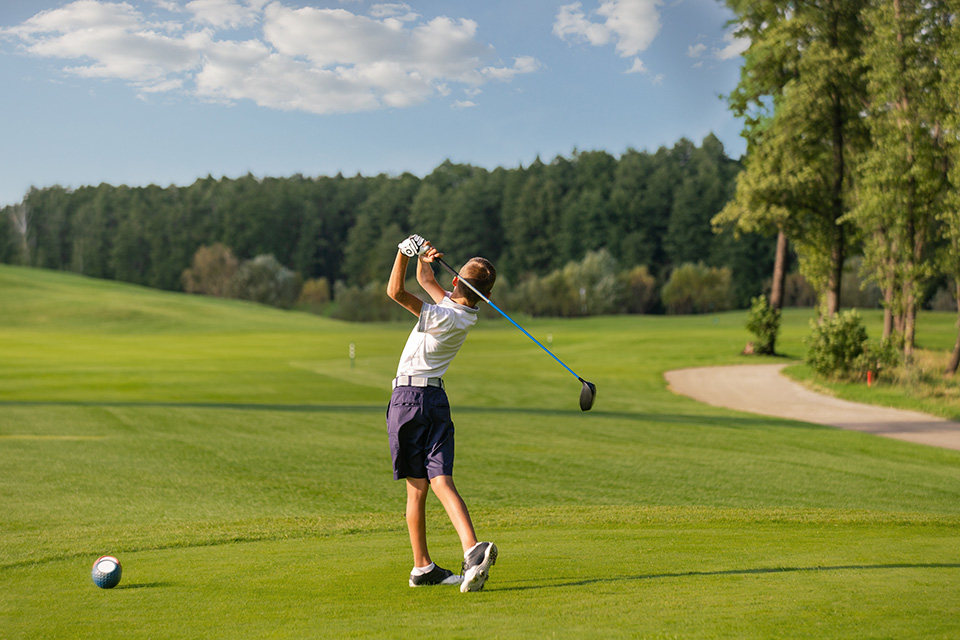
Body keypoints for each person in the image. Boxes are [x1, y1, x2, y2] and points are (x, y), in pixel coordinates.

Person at [385, 234, 498, 593]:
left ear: (456, 281)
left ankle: (431, 563)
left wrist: (403, 253)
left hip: (408, 399)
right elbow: (425, 282)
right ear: (486, 297)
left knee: (417, 491)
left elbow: (396, 292)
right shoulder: (463, 313)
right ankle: (461, 553)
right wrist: (423, 259)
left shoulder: (444, 315)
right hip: (435, 400)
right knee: (441, 481)